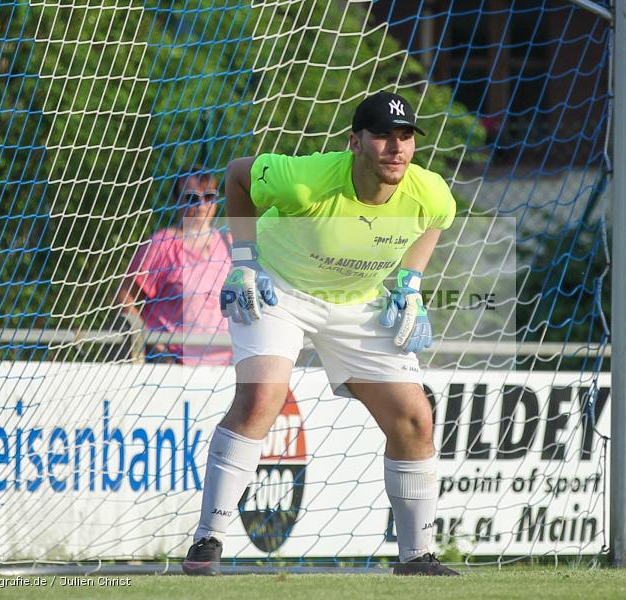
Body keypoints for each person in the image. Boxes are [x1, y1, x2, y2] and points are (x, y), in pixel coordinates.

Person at [182, 91, 459, 576]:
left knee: (415, 417)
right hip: (280, 290)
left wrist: (410, 286)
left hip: (359, 300)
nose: (396, 148)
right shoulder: (307, 180)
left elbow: (434, 222)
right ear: (355, 141)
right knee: (261, 399)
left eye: (406, 136)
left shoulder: (430, 191)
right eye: (382, 136)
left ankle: (416, 557)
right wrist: (244, 262)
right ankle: (209, 539)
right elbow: (238, 175)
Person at [115, 166, 231, 365]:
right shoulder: (162, 243)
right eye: (192, 198)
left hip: (225, 368)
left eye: (209, 196)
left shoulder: (229, 243)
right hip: (172, 366)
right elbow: (126, 297)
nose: (202, 206)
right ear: (177, 202)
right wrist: (155, 346)